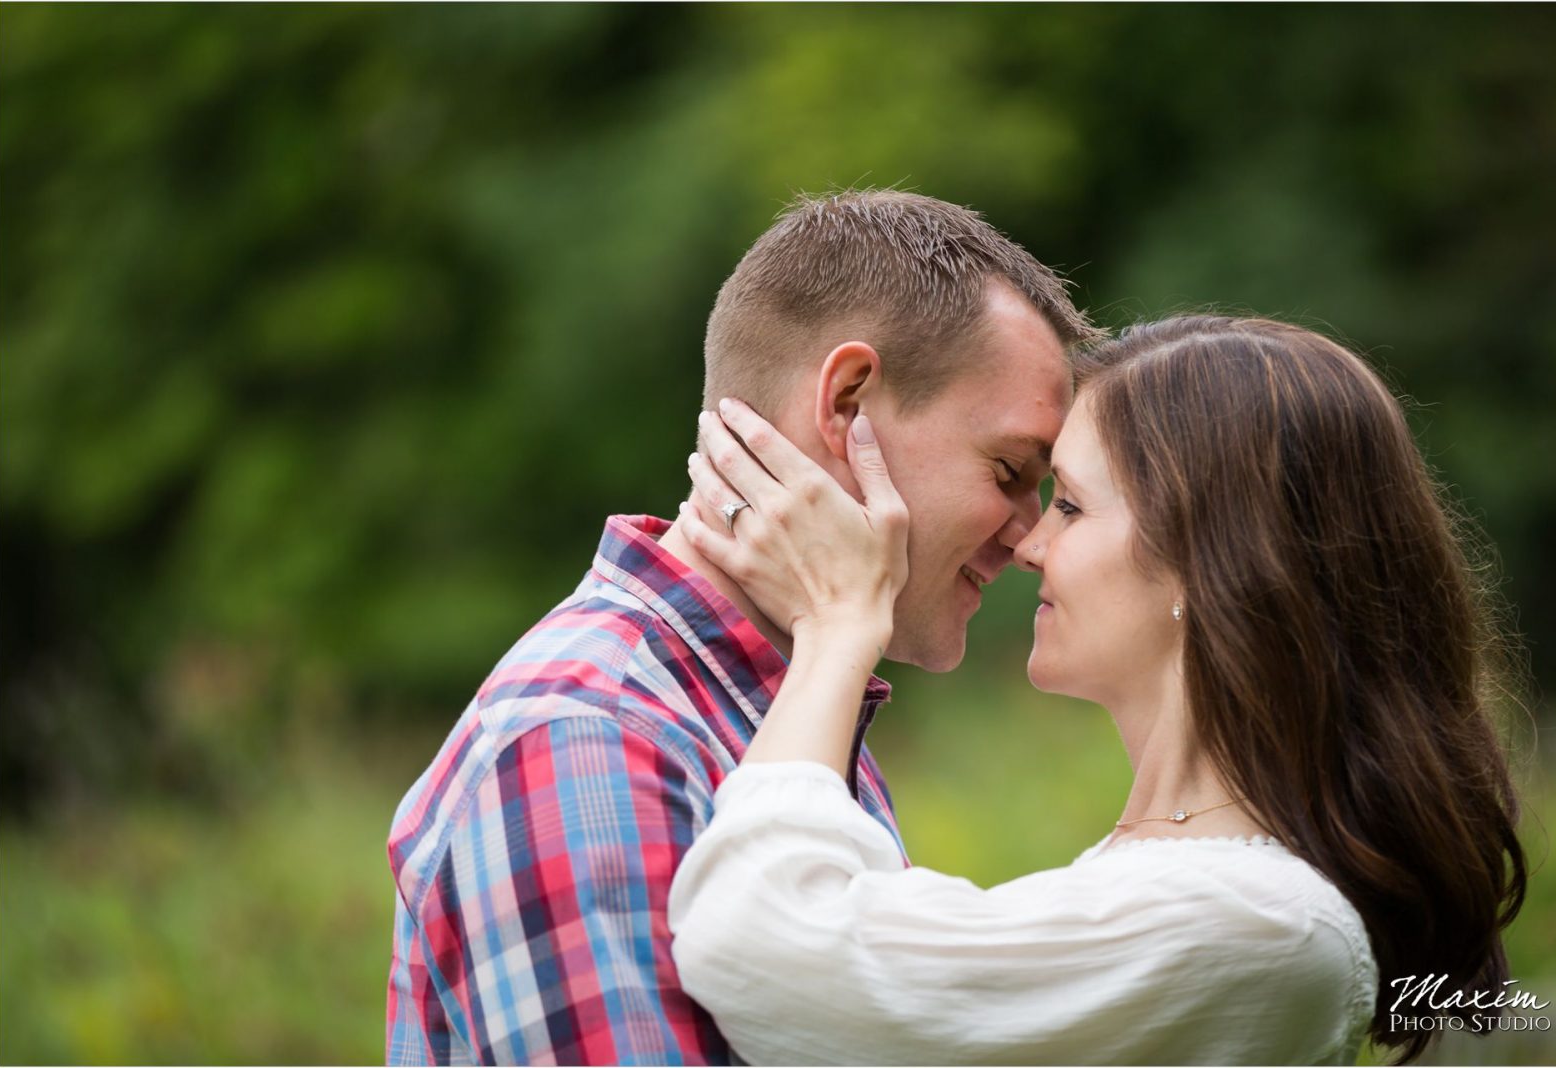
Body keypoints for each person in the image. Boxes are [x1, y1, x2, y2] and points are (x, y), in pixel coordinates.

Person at [667, 316, 1527, 1066]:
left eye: (1071, 506)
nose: (1029, 544)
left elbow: (761, 942)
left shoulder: (1250, 926)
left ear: (1208, 557)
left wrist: (838, 626)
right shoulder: (1188, 887)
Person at [384, 190, 1102, 1064]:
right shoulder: (590, 741)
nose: (1031, 536)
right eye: (1008, 469)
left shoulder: (777, 715)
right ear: (847, 405)